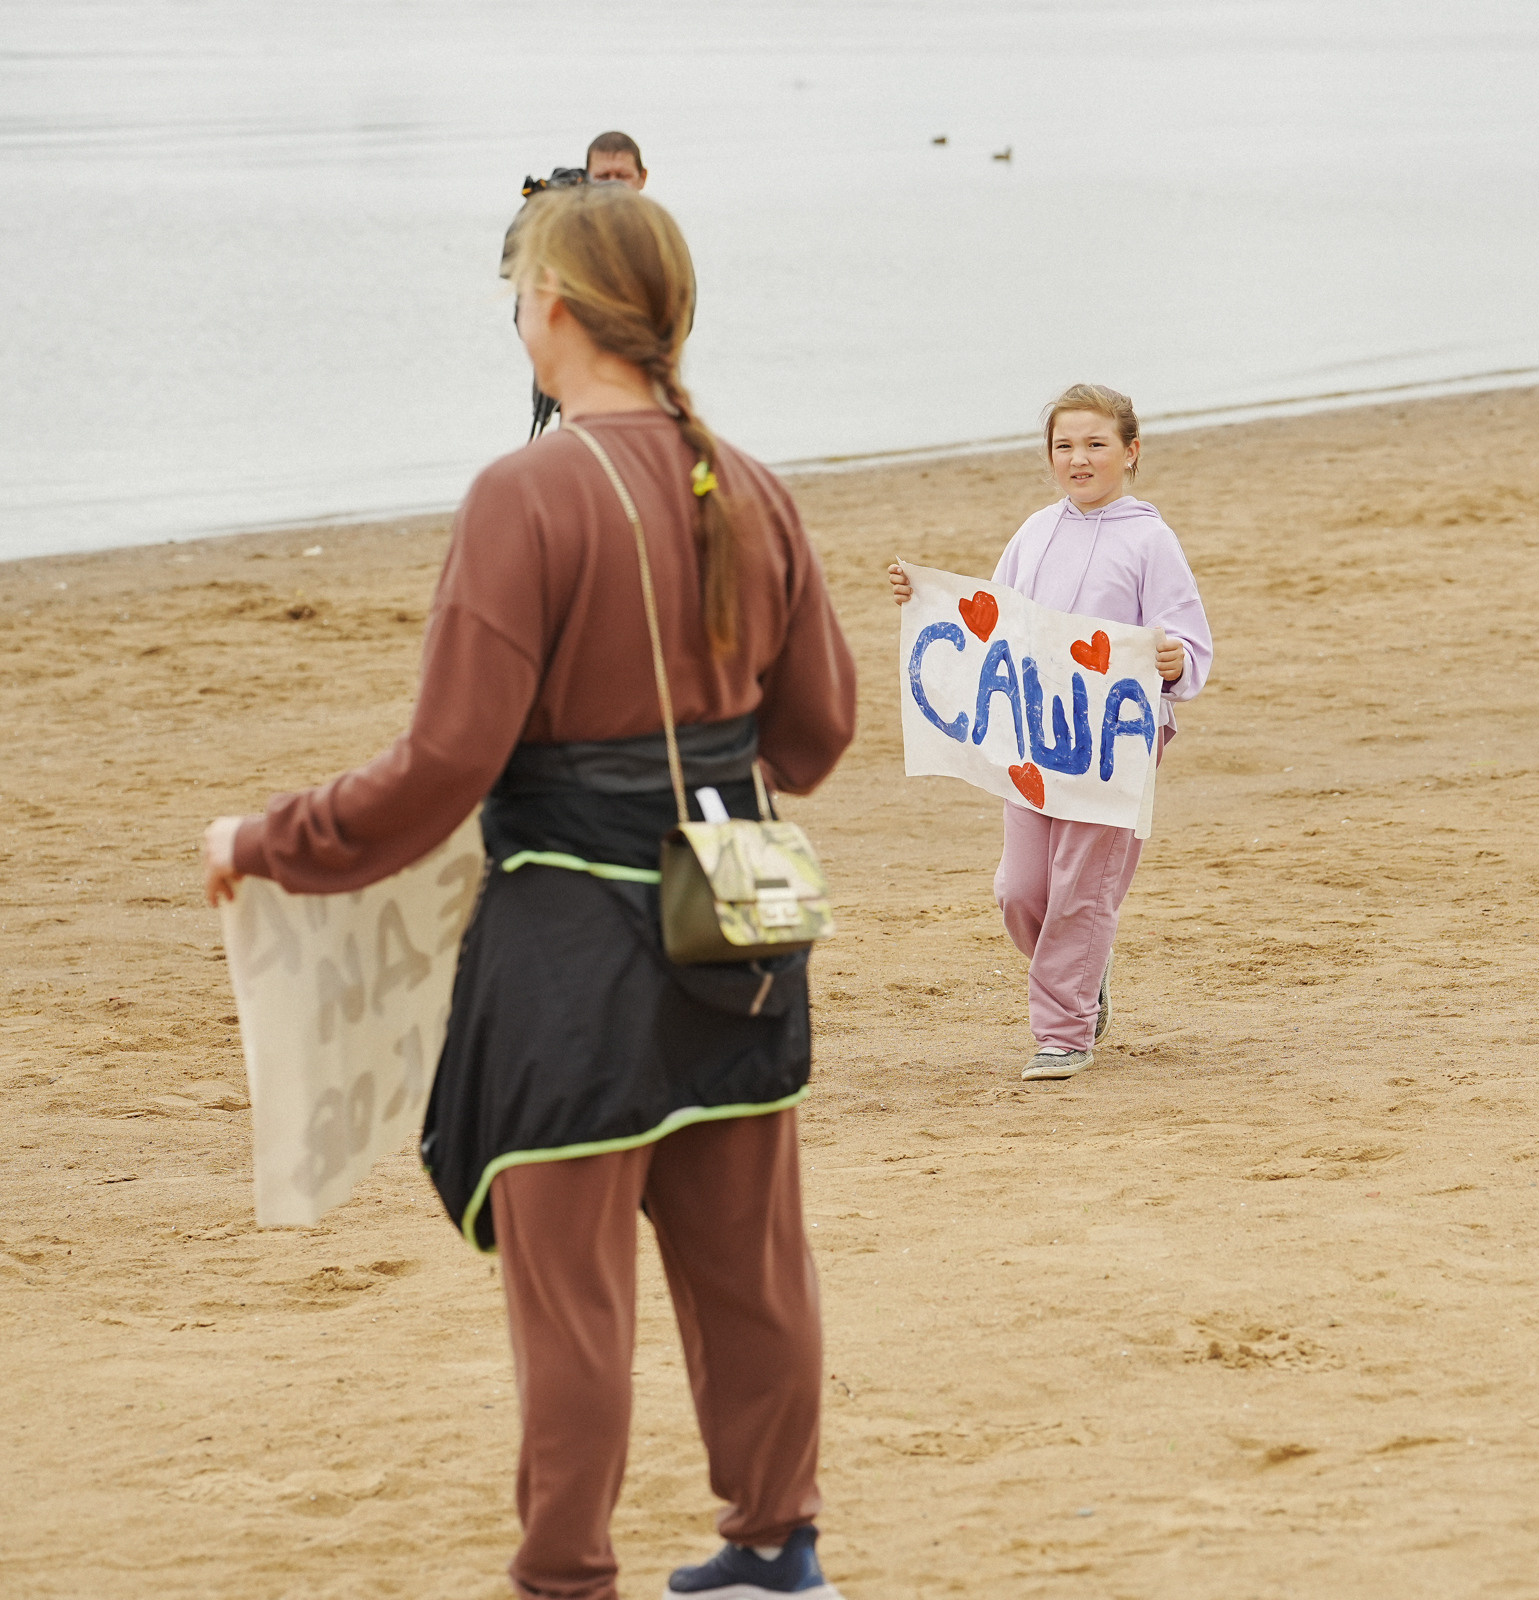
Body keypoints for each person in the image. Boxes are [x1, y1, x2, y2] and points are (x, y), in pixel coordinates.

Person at [202, 183, 857, 1600]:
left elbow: (446, 765)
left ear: (549, 308)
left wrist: (271, 840)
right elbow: (813, 743)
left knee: (574, 1303)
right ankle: (777, 1548)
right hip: (739, 925)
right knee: (752, 1268)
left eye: (519, 295)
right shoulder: (747, 483)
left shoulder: (526, 491)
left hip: (573, 944)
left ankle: (568, 1577)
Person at [884, 385, 1212, 1080]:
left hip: (1113, 743)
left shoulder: (1151, 539)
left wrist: (1173, 658)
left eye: (1096, 444)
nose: (1080, 459)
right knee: (1022, 891)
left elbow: (1186, 634)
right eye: (1065, 446)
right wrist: (924, 598)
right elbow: (992, 619)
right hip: (1033, 733)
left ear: (1131, 451)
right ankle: (1084, 970)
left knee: (1080, 890)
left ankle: (1064, 1032)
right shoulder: (1035, 532)